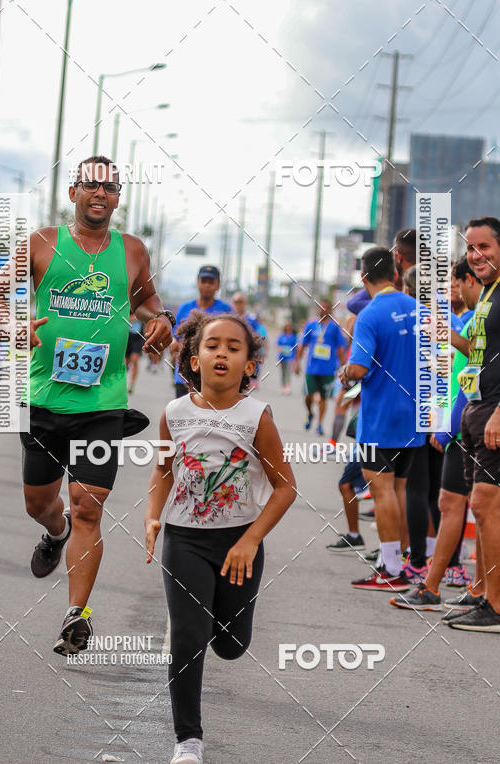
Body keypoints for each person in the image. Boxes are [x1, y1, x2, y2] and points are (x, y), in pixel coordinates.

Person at [0, 156, 173, 653]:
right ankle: (54, 531)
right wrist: (13, 326)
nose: (100, 194)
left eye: (110, 187)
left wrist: (160, 320)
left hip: (104, 403)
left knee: (90, 505)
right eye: (91, 185)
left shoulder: (132, 251)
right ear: (73, 192)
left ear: (118, 196)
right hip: (42, 398)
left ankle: (76, 613)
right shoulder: (42, 243)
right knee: (39, 504)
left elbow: (149, 301)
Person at [144, 311, 296, 764]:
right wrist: (154, 518)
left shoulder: (256, 417)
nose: (222, 353)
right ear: (194, 359)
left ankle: (209, 616)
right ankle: (187, 741)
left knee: (230, 645)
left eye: (234, 347)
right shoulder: (174, 413)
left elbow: (286, 486)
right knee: (189, 639)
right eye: (212, 346)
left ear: (250, 365)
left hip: (238, 543)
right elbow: (162, 470)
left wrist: (251, 539)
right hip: (184, 538)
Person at [442, 217, 500, 632]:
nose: (477, 255)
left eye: (485, 247)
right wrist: (446, 333)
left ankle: (495, 608)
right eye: (471, 248)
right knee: (493, 503)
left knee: (484, 502)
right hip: (477, 410)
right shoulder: (488, 293)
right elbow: (479, 349)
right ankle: (495, 595)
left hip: (498, 413)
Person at [390, 257, 482, 613]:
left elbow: (469, 374)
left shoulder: (471, 318)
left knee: (443, 497)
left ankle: (429, 574)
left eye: (455, 285)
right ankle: (472, 582)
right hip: (449, 417)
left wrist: (448, 425)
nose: (451, 292)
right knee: (453, 500)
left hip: (458, 421)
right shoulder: (465, 319)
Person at [340, 247, 426, 592]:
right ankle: (405, 561)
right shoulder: (418, 308)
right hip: (415, 416)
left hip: (380, 418)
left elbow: (359, 367)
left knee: (382, 490)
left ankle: (390, 567)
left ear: (363, 279)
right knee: (402, 489)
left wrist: (346, 372)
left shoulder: (370, 315)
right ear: (395, 273)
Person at [170, 266, 232, 398]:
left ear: (218, 285)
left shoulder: (226, 310)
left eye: (211, 282)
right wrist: (173, 343)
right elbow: (174, 336)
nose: (207, 285)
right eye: (203, 281)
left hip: (213, 377)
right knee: (182, 417)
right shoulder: (185, 308)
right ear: (197, 282)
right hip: (184, 377)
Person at [296, 299, 347, 435]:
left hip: (328, 369)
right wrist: (297, 363)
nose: (322, 310)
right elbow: (302, 345)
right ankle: (310, 413)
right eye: (320, 307)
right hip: (311, 368)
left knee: (323, 397)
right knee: (308, 396)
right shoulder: (311, 325)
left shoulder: (335, 327)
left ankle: (319, 424)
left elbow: (341, 348)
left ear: (330, 310)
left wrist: (343, 367)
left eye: (325, 308)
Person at [125, 313, 144, 394]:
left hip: (139, 337)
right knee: (126, 362)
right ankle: (122, 382)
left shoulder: (142, 306)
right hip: (128, 335)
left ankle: (132, 384)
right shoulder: (127, 306)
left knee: (134, 359)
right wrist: (133, 317)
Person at [276, 321, 296, 393]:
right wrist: (280, 349)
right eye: (287, 326)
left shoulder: (294, 337)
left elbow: (296, 347)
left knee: (288, 372)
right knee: (283, 372)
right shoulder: (281, 336)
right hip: (282, 357)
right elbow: (277, 345)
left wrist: (295, 360)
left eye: (289, 326)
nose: (288, 328)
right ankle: (282, 386)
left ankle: (288, 386)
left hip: (290, 357)